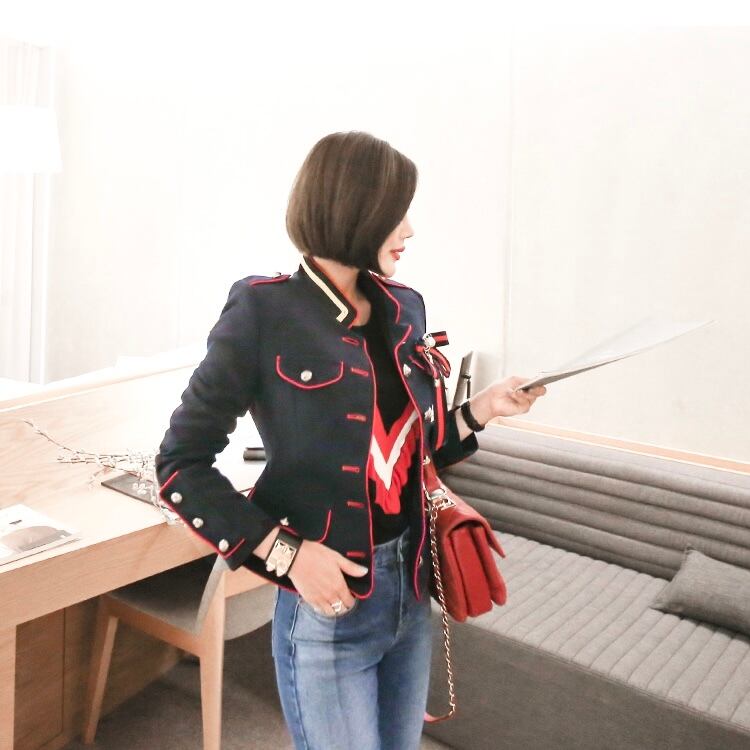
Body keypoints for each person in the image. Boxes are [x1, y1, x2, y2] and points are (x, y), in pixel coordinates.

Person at [154, 130, 547, 750]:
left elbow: (412, 450)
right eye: (397, 212)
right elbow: (180, 465)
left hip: (411, 593)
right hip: (328, 607)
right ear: (355, 209)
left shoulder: (405, 307)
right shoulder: (263, 311)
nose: (409, 230)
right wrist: (286, 555)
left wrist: (483, 409)